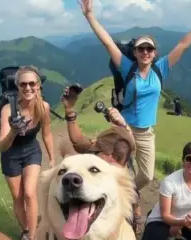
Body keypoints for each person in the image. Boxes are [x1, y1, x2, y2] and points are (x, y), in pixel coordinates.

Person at [78, 0, 191, 228]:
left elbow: (183, 45)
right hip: (123, 129)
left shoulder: (159, 70)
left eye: (149, 49)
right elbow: (106, 42)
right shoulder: (127, 67)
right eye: (141, 49)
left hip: (145, 133)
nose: (145, 52)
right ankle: (111, 203)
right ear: (135, 52)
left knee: (147, 175)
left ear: (154, 53)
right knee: (114, 165)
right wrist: (90, 16)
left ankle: (126, 194)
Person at [60, 85, 140, 229]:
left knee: (130, 194)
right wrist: (69, 110)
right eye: (103, 162)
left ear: (123, 162)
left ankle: (136, 216)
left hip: (125, 194)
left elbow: (131, 145)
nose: (107, 165)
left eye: (112, 164)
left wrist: (124, 125)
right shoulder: (97, 149)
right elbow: (78, 141)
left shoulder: (127, 167)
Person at [0, 65, 55, 240]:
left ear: (38, 86)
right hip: (11, 154)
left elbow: (47, 133)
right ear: (17, 86)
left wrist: (52, 158)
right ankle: (26, 229)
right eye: (23, 84)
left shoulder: (43, 107)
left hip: (31, 150)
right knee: (18, 197)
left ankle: (32, 238)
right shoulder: (8, 109)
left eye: (32, 83)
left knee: (30, 193)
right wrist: (14, 131)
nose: (28, 88)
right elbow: (2, 146)